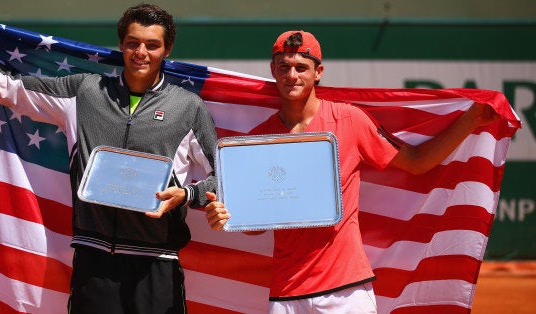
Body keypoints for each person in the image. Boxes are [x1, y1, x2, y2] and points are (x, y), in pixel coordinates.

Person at [0, 1, 218, 313]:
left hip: (157, 261)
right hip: (94, 258)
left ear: (167, 49)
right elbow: (8, 89)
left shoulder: (188, 107)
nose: (140, 52)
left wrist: (186, 194)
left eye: (152, 45)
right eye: (133, 43)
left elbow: (221, 177)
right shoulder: (85, 91)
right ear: (121, 45)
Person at [204, 30, 500, 313]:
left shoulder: (349, 119)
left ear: (318, 72)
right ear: (272, 70)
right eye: (283, 67)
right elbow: (255, 224)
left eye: (300, 67)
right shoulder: (259, 139)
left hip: (345, 290)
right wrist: (226, 217)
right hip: (286, 291)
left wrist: (470, 121)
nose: (291, 75)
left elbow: (417, 162)